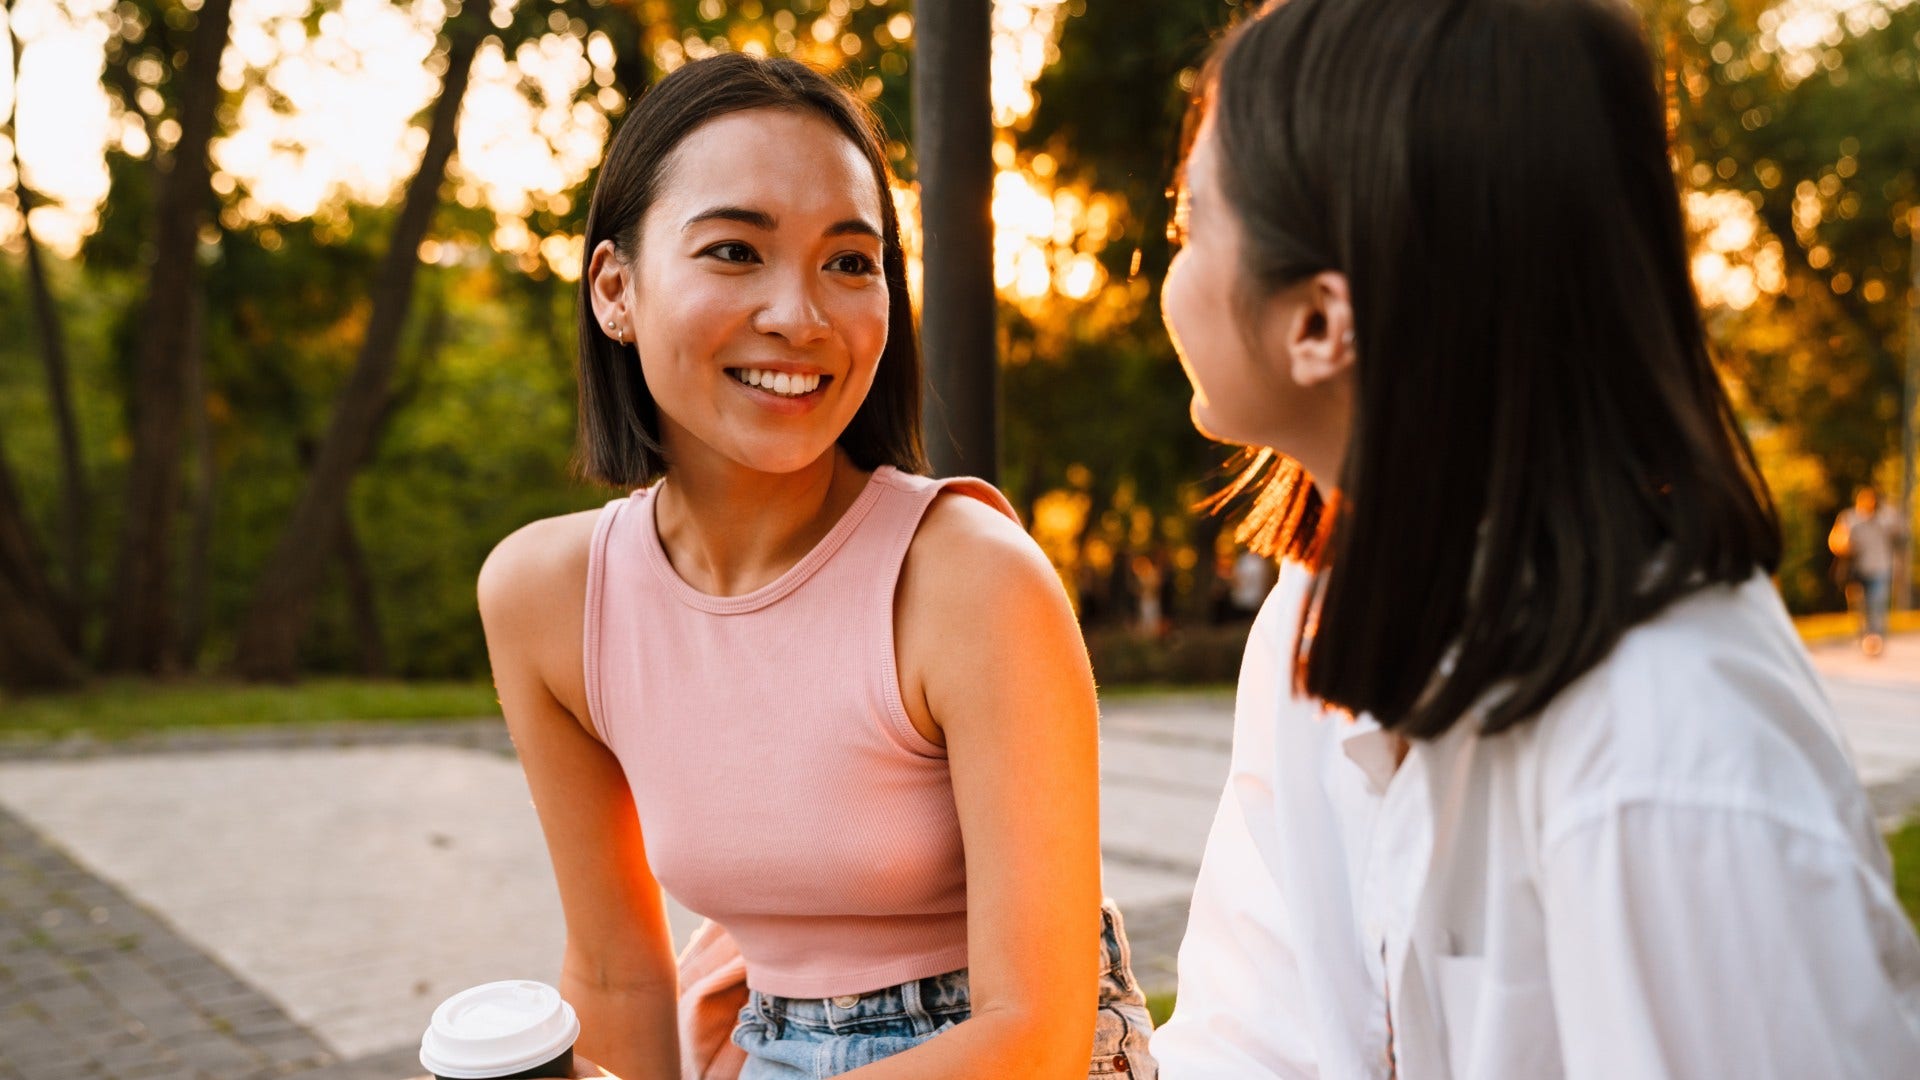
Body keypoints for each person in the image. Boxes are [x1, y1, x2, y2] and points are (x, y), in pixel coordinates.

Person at [1147, 1, 1920, 1077]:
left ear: (1321, 323)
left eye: (1188, 229)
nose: (1165, 274)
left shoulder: (1666, 756)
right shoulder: (1314, 627)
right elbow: (1255, 1041)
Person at [477, 54, 1155, 1080]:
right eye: (736, 251)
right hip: (757, 1045)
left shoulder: (971, 580)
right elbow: (617, 975)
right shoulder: (543, 598)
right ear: (615, 289)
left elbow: (1035, 1037)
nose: (801, 315)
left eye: (850, 261)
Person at [1830, 486, 1907, 656]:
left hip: (1880, 568)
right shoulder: (1850, 518)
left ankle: (1875, 639)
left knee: (1877, 604)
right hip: (1855, 571)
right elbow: (1834, 540)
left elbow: (1901, 531)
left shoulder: (1886, 518)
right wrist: (1846, 545)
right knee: (1859, 607)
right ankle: (1864, 635)